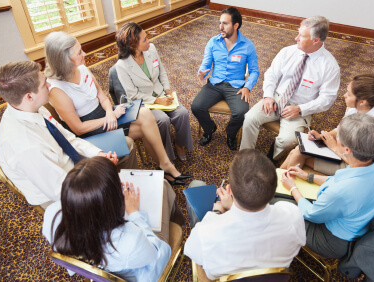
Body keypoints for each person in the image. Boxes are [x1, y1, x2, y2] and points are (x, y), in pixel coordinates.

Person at [43, 31, 190, 185]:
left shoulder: (82, 68)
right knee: (147, 128)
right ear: (64, 60)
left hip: (106, 116)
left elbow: (101, 95)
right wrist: (108, 117)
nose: (85, 53)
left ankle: (165, 166)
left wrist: (109, 112)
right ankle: (164, 169)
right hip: (91, 131)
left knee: (146, 114)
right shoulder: (56, 89)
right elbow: (78, 128)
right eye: (79, 52)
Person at [0, 61, 134, 208]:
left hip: (70, 165)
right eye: (44, 84)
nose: (50, 85)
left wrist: (97, 154)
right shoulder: (26, 147)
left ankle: (125, 191)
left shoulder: (30, 107)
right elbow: (63, 190)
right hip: (65, 197)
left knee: (127, 144)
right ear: (29, 96)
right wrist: (99, 171)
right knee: (129, 200)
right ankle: (122, 205)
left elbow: (67, 138)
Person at [42, 157, 184, 281]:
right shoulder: (130, 239)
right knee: (163, 186)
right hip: (143, 267)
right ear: (112, 202)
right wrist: (134, 213)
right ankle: (180, 223)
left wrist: (99, 173)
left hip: (102, 265)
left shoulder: (51, 214)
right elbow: (158, 256)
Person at [281, 114, 374, 259]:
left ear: (347, 150)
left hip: (332, 240)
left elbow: (311, 214)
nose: (334, 139)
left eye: (337, 138)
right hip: (360, 223)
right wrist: (309, 177)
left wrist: (292, 188)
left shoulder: (342, 191)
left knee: (277, 202)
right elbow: (338, 180)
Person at [184, 149, 306, 279]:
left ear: (229, 189)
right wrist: (231, 207)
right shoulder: (293, 215)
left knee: (196, 185)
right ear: (275, 189)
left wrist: (217, 212)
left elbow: (190, 250)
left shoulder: (206, 232)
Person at [240, 16, 340, 159]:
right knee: (249, 118)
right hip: (276, 97)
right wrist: (268, 95)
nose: (296, 38)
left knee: (287, 141)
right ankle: (244, 157)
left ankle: (271, 159)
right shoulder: (288, 51)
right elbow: (271, 74)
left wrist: (300, 109)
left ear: (316, 40)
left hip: (300, 107)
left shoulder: (330, 66)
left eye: (302, 36)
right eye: (298, 33)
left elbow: (327, 100)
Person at [281, 74, 374, 175]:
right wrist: (322, 136)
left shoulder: (369, 128)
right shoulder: (355, 107)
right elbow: (340, 128)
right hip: (340, 149)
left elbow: (359, 163)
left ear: (362, 101)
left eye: (348, 94)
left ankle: (278, 186)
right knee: (296, 151)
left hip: (350, 165)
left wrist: (334, 147)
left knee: (297, 154)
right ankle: (275, 183)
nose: (344, 96)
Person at [113, 22, 194, 162]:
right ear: (133, 45)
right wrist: (156, 101)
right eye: (144, 39)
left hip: (161, 93)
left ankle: (179, 144)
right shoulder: (122, 66)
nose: (149, 41)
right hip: (145, 103)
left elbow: (161, 71)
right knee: (163, 121)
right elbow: (132, 95)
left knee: (182, 113)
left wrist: (167, 89)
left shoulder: (151, 49)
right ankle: (165, 155)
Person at [191, 7, 259, 150]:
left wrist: (247, 87)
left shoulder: (248, 45)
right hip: (215, 84)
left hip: (236, 86)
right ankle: (209, 129)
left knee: (241, 112)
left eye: (225, 24)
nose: (220, 27)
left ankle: (230, 134)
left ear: (236, 25)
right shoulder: (213, 42)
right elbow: (206, 62)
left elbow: (254, 71)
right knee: (196, 107)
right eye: (220, 23)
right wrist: (202, 71)